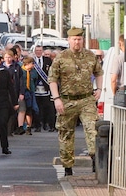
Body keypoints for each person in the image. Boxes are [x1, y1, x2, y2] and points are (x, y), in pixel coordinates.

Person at [48, 27, 103, 177]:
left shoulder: (90, 56)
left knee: (93, 130)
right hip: (67, 100)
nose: (77, 42)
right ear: (69, 40)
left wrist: (99, 88)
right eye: (74, 39)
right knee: (66, 133)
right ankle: (67, 168)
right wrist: (56, 98)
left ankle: (95, 161)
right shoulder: (61, 57)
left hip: (86, 99)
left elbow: (99, 72)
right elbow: (52, 79)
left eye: (79, 39)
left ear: (82, 40)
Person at [32, 46, 55, 132]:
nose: (38, 52)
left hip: (46, 88)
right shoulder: (32, 60)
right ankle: (38, 126)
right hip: (35, 88)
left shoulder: (47, 60)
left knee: (48, 108)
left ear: (42, 51)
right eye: (37, 50)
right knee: (37, 108)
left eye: (40, 50)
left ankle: (50, 125)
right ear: (34, 51)